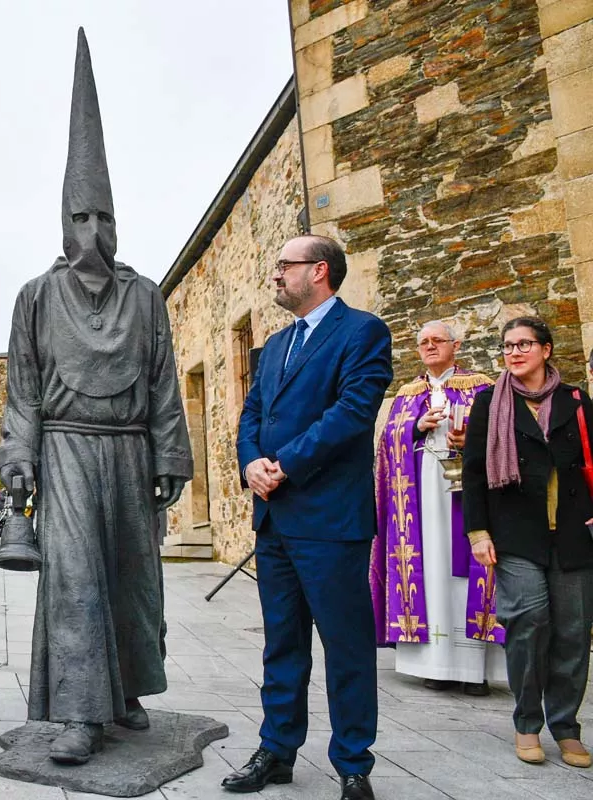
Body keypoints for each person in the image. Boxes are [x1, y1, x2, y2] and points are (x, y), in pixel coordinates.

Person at [0, 28, 192, 766]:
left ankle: (132, 690)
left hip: (132, 447)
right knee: (77, 580)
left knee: (134, 582)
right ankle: (79, 712)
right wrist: (20, 456)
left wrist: (171, 453)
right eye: (80, 217)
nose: (93, 230)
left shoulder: (145, 296)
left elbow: (165, 379)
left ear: (117, 221)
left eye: (103, 217)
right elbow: (21, 389)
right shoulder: (36, 297)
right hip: (68, 449)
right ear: (63, 221)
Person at [231, 234, 392, 800]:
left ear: (319, 270)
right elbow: (250, 413)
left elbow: (352, 412)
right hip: (274, 521)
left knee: (346, 646)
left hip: (329, 521)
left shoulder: (362, 333)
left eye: (285, 266)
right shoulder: (274, 346)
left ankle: (352, 762)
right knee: (282, 644)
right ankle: (276, 750)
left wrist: (284, 465)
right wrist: (250, 462)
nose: (276, 275)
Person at [463, 317, 593, 769]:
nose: (514, 353)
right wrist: (478, 532)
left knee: (574, 633)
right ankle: (526, 723)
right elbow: (474, 471)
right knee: (529, 621)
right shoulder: (489, 402)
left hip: (574, 532)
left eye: (524, 344)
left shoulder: (574, 399)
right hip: (515, 533)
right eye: (507, 346)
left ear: (546, 349)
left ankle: (566, 727)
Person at [370, 322, 504, 695]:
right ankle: (434, 664)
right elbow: (386, 444)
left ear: (455, 345)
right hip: (419, 493)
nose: (429, 347)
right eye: (423, 343)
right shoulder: (407, 395)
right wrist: (414, 426)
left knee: (466, 571)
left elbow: (501, 436)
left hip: (467, 489)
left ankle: (474, 668)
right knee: (428, 568)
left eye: (437, 341)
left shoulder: (481, 388)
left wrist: (469, 437)